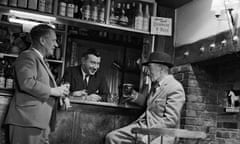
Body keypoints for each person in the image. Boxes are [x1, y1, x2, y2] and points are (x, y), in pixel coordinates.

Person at [5, 24, 70, 144]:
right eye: (54, 40)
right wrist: (53, 91)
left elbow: (42, 85)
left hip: (38, 122)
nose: (56, 45)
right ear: (42, 41)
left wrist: (61, 94)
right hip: (27, 121)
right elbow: (26, 82)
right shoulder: (27, 56)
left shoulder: (40, 60)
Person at [105, 51, 186, 144]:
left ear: (161, 69)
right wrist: (134, 96)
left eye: (150, 68)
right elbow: (148, 105)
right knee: (112, 138)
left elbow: (170, 120)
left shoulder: (175, 87)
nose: (148, 72)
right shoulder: (155, 86)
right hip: (143, 127)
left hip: (162, 134)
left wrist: (149, 136)